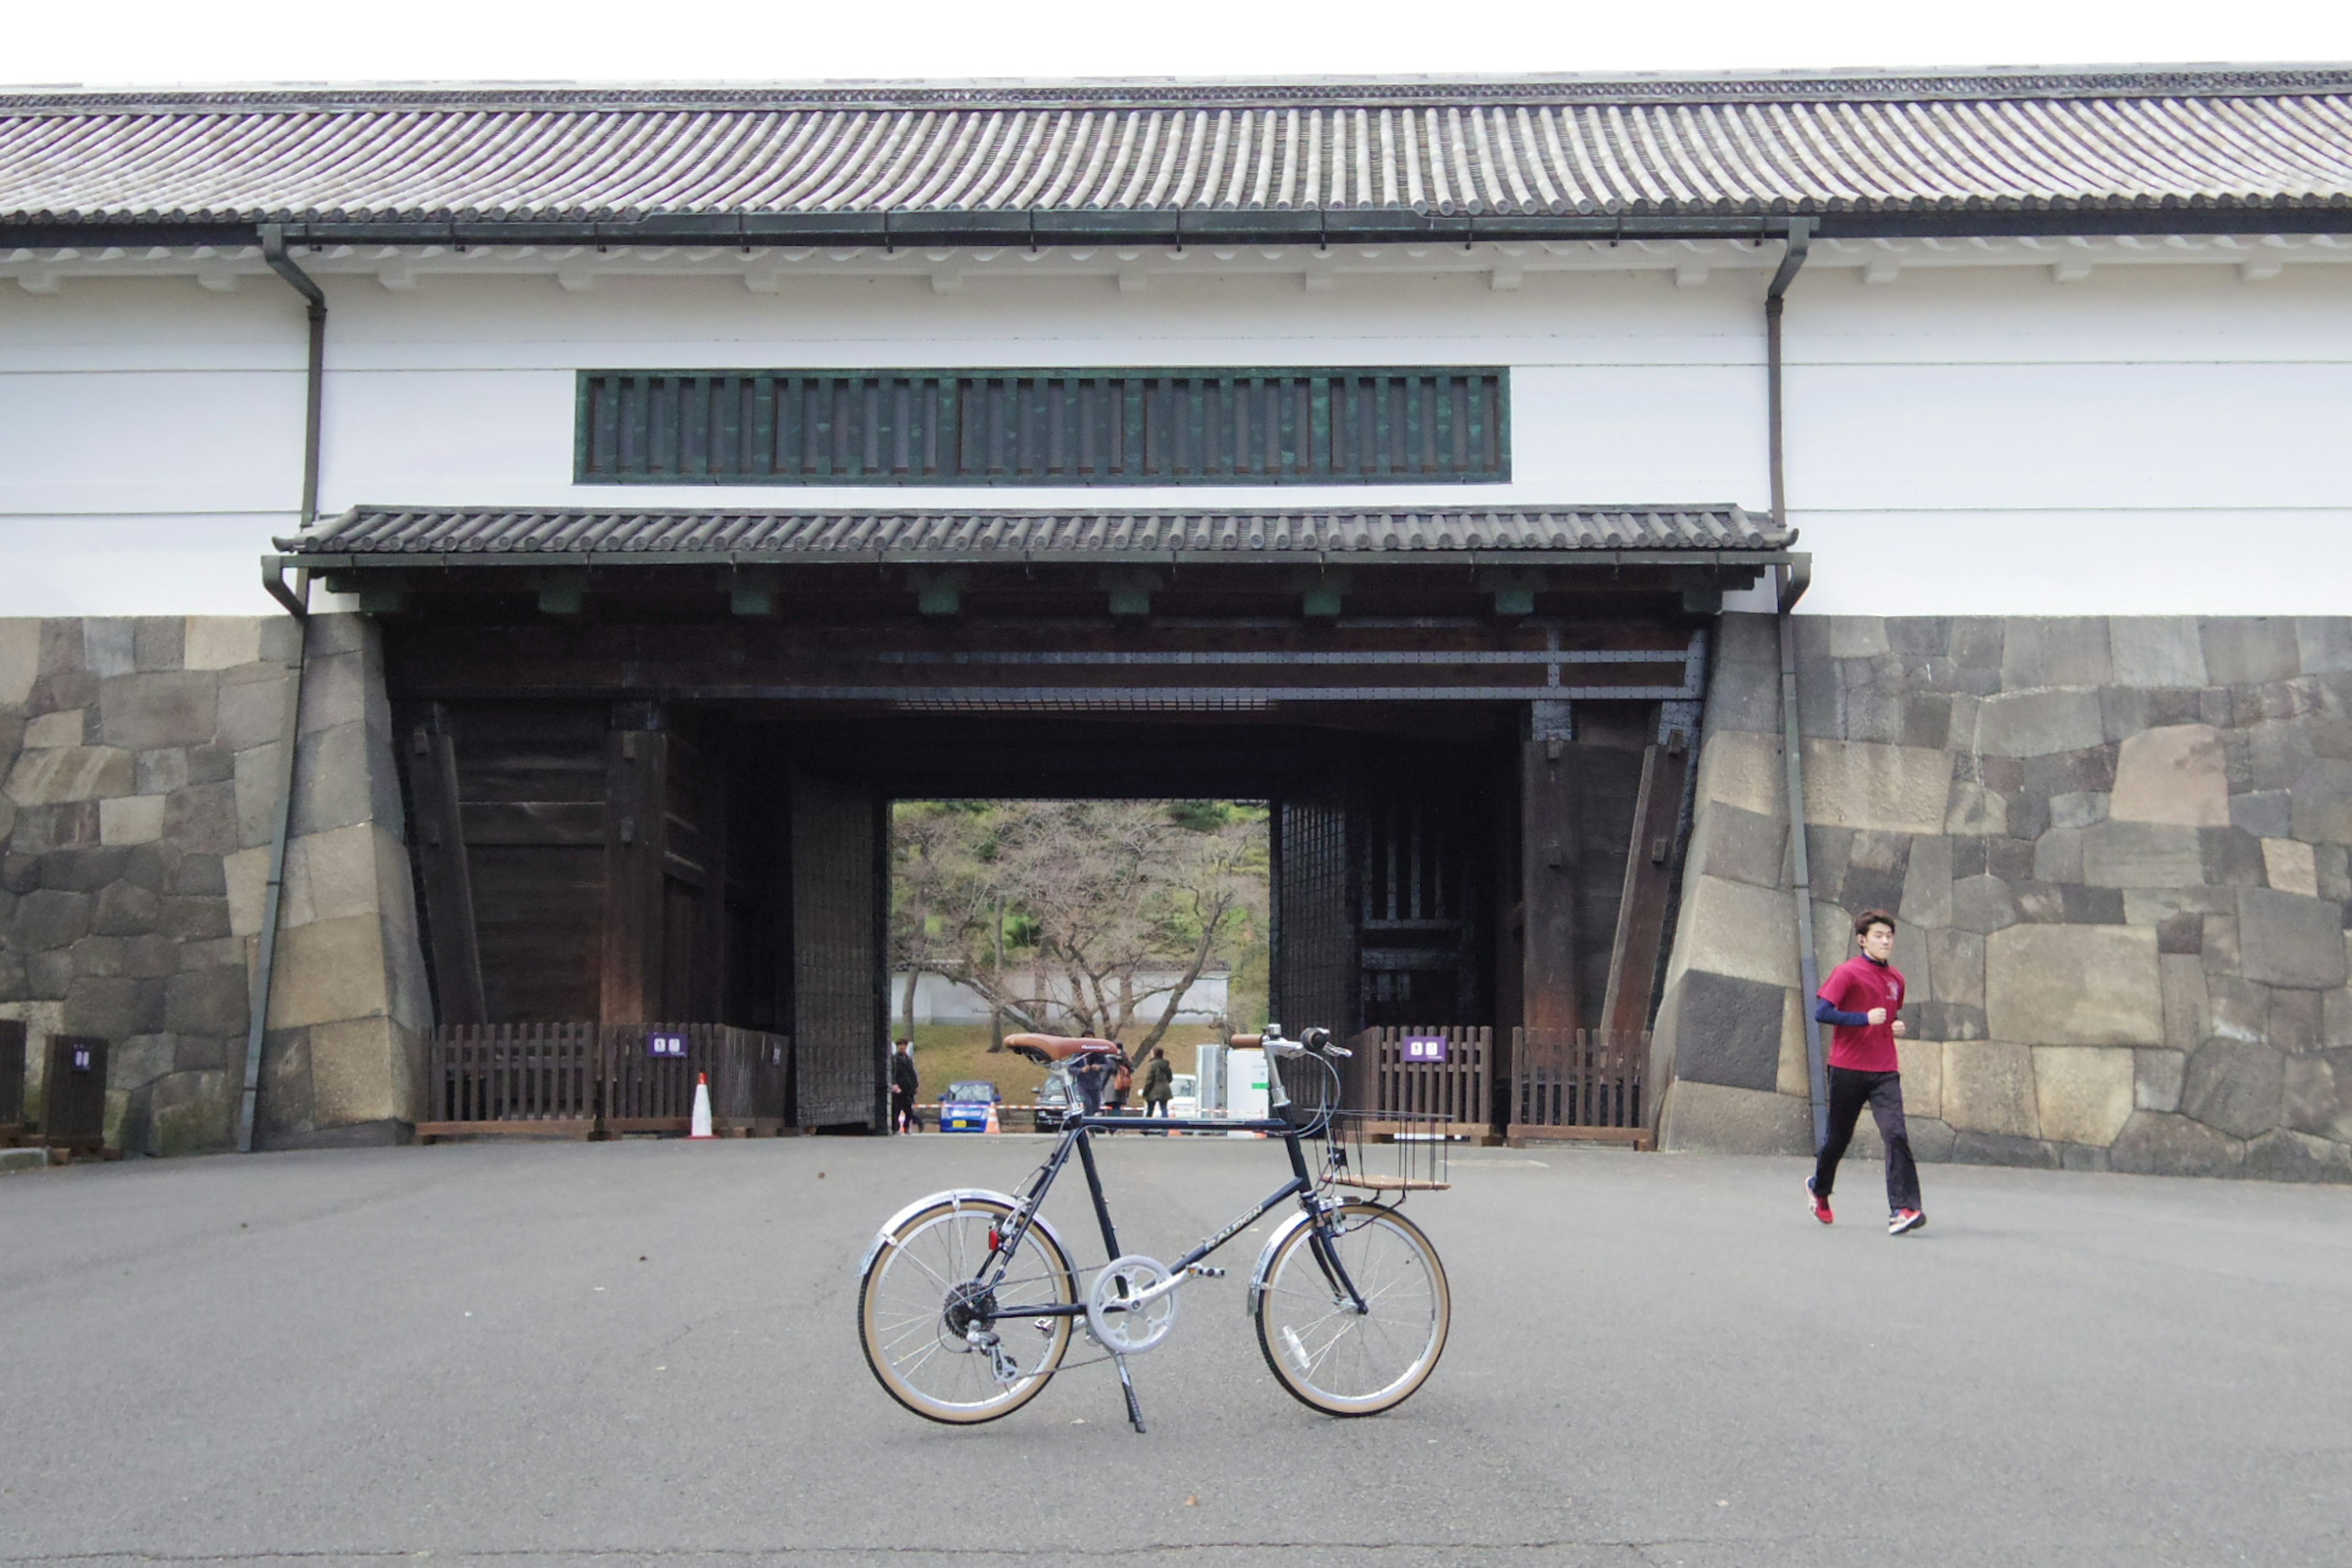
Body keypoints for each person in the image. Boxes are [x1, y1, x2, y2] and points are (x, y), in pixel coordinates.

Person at [1807, 909, 1925, 1235]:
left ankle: (1903, 1209)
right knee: (1838, 1139)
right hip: (1847, 1068)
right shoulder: (1847, 973)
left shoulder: (1896, 980)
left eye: (1889, 936)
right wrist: (1862, 1019)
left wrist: (1895, 1026)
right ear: (1862, 940)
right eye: (1878, 935)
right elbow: (1822, 1012)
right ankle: (1819, 1189)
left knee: (1896, 1134)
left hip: (1885, 1070)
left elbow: (1889, 1016)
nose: (1885, 941)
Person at [1139, 1046, 1174, 1134]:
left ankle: (1145, 1129)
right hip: (1165, 1090)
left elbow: (1149, 1080)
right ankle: (1165, 1130)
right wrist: (1165, 1083)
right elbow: (1170, 1078)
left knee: (1150, 1109)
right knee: (1164, 1109)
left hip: (1153, 1090)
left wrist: (1145, 1093)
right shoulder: (1166, 1065)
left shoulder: (1153, 1065)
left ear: (1154, 1054)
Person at [889, 1040, 920, 1134]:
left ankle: (906, 1127)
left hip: (907, 1089)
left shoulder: (908, 1059)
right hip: (899, 1088)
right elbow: (893, 1073)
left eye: (904, 1046)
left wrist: (915, 1085)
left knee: (909, 1110)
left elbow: (912, 1073)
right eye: (900, 1046)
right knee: (896, 1110)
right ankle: (895, 1128)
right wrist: (894, 1084)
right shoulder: (894, 1059)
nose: (902, 1048)